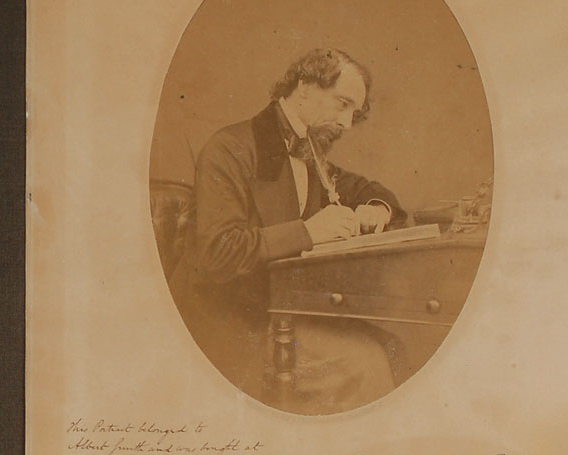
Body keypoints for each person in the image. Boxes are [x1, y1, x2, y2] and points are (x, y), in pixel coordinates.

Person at [171, 47, 407, 414]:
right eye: (342, 104)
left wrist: (377, 209)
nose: (347, 123)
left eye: (354, 113)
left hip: (281, 312)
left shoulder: (310, 154)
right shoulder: (230, 149)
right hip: (228, 324)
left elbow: (365, 189)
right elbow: (218, 252)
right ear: (305, 88)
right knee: (367, 362)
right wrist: (308, 231)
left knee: (393, 348)